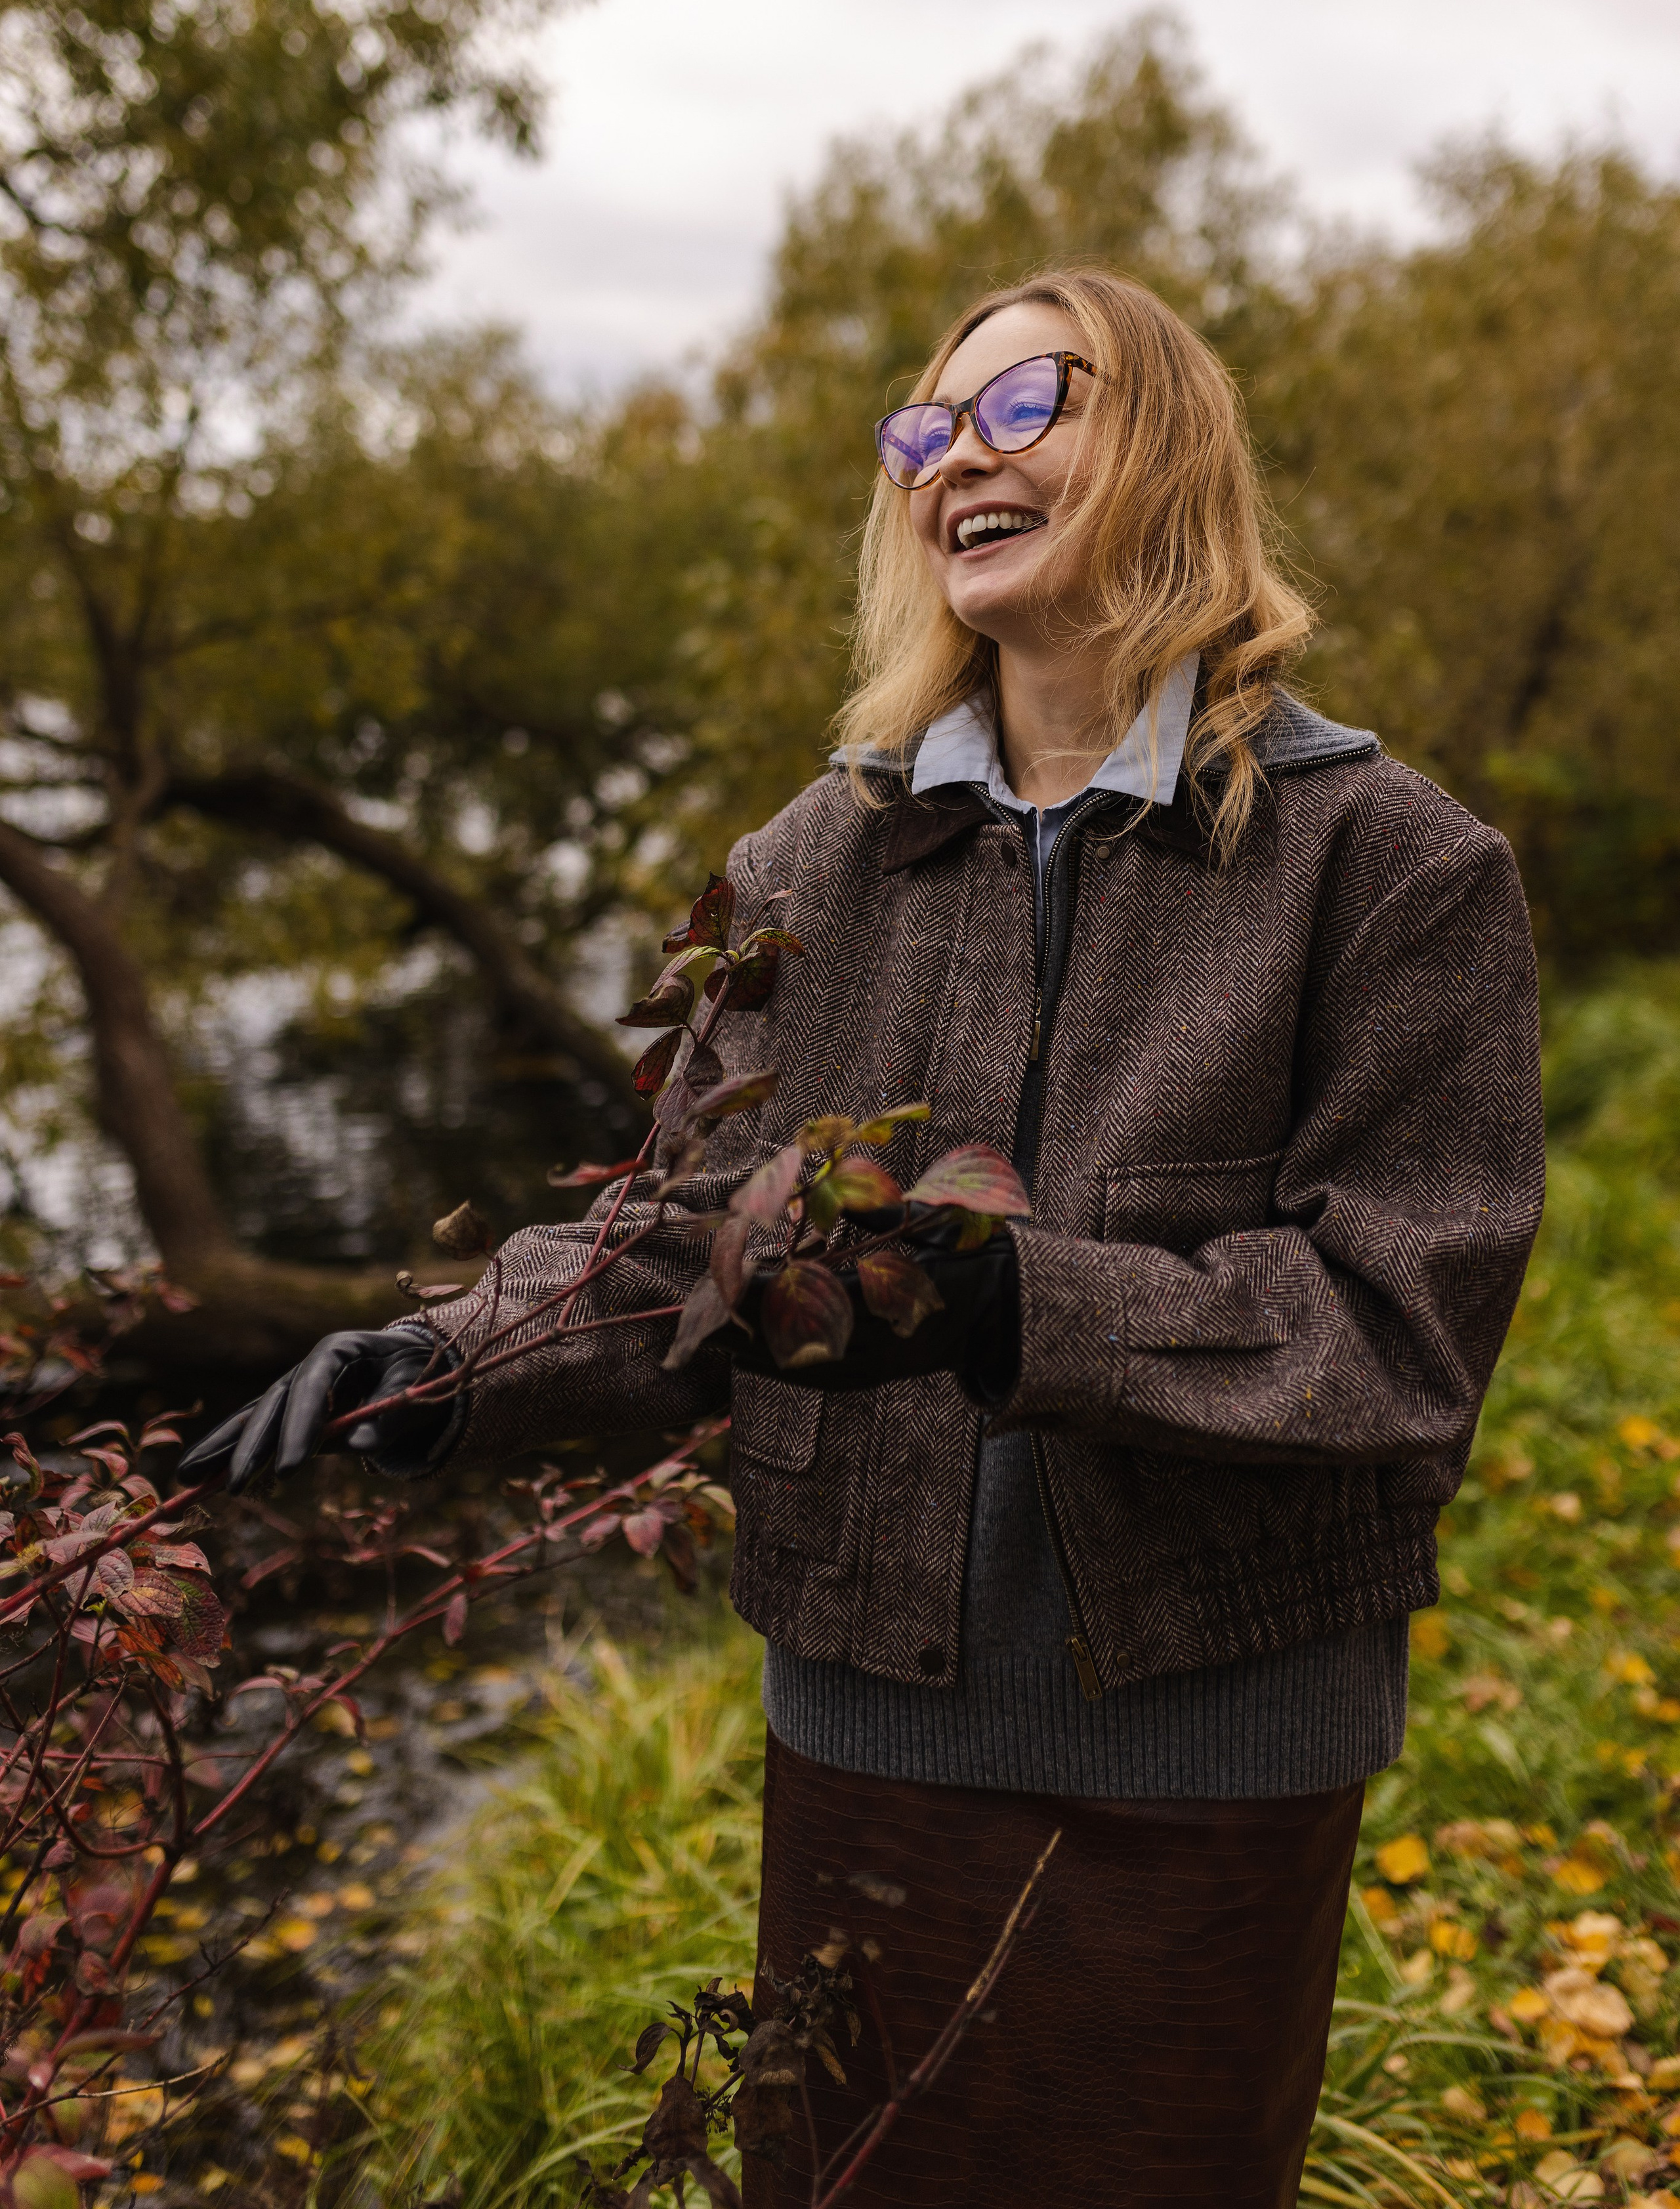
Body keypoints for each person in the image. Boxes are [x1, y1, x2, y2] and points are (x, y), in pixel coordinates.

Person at [186, 267, 1545, 2207]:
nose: (956, 458)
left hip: (1212, 1731)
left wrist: (1017, 1306)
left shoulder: (1388, 865)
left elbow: (1398, 1327)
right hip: (869, 1723)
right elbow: (687, 1238)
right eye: (928, 428)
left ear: (1168, 448)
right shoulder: (809, 861)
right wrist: (447, 1358)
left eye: (1025, 405)